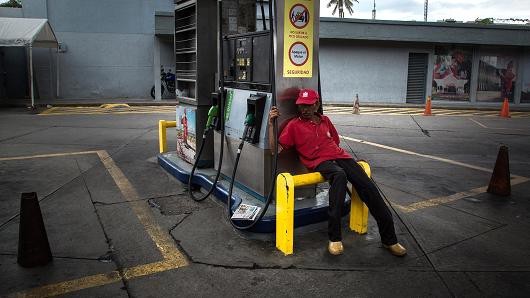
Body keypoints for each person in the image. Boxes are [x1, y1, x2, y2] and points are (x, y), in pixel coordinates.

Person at [268, 88, 407, 257]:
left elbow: (335, 140)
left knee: (368, 187)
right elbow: (276, 151)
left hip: (340, 156)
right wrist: (270, 124)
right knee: (339, 176)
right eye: (301, 106)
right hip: (319, 161)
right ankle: (335, 238)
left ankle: (390, 240)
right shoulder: (293, 126)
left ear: (316, 105)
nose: (304, 109)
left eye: (308, 105)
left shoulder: (325, 120)